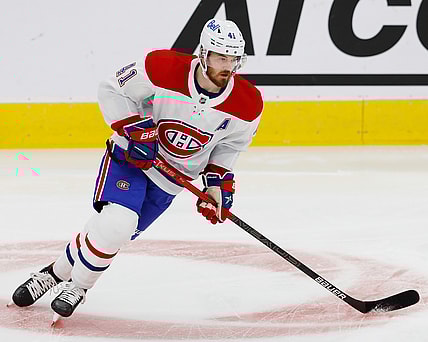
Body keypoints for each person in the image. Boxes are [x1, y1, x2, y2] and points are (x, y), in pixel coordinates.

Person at [8, 18, 263, 321]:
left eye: (234, 59)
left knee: (112, 233)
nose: (228, 66)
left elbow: (229, 146)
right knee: (118, 223)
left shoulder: (248, 103)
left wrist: (216, 184)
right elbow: (112, 89)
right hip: (131, 157)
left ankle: (53, 273)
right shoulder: (161, 67)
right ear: (204, 53)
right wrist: (135, 129)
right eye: (222, 57)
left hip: (170, 181)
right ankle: (78, 286)